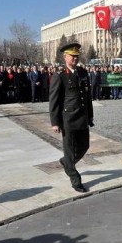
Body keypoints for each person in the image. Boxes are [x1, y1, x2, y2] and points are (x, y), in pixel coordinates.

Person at [49, 42, 94, 193]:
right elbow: (54, 100)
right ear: (65, 57)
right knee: (69, 150)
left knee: (84, 146)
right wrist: (55, 122)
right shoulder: (60, 75)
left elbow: (87, 97)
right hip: (67, 119)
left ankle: (66, 163)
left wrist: (90, 116)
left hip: (82, 117)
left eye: (76, 56)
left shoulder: (82, 73)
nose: (75, 59)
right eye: (72, 56)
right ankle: (76, 181)